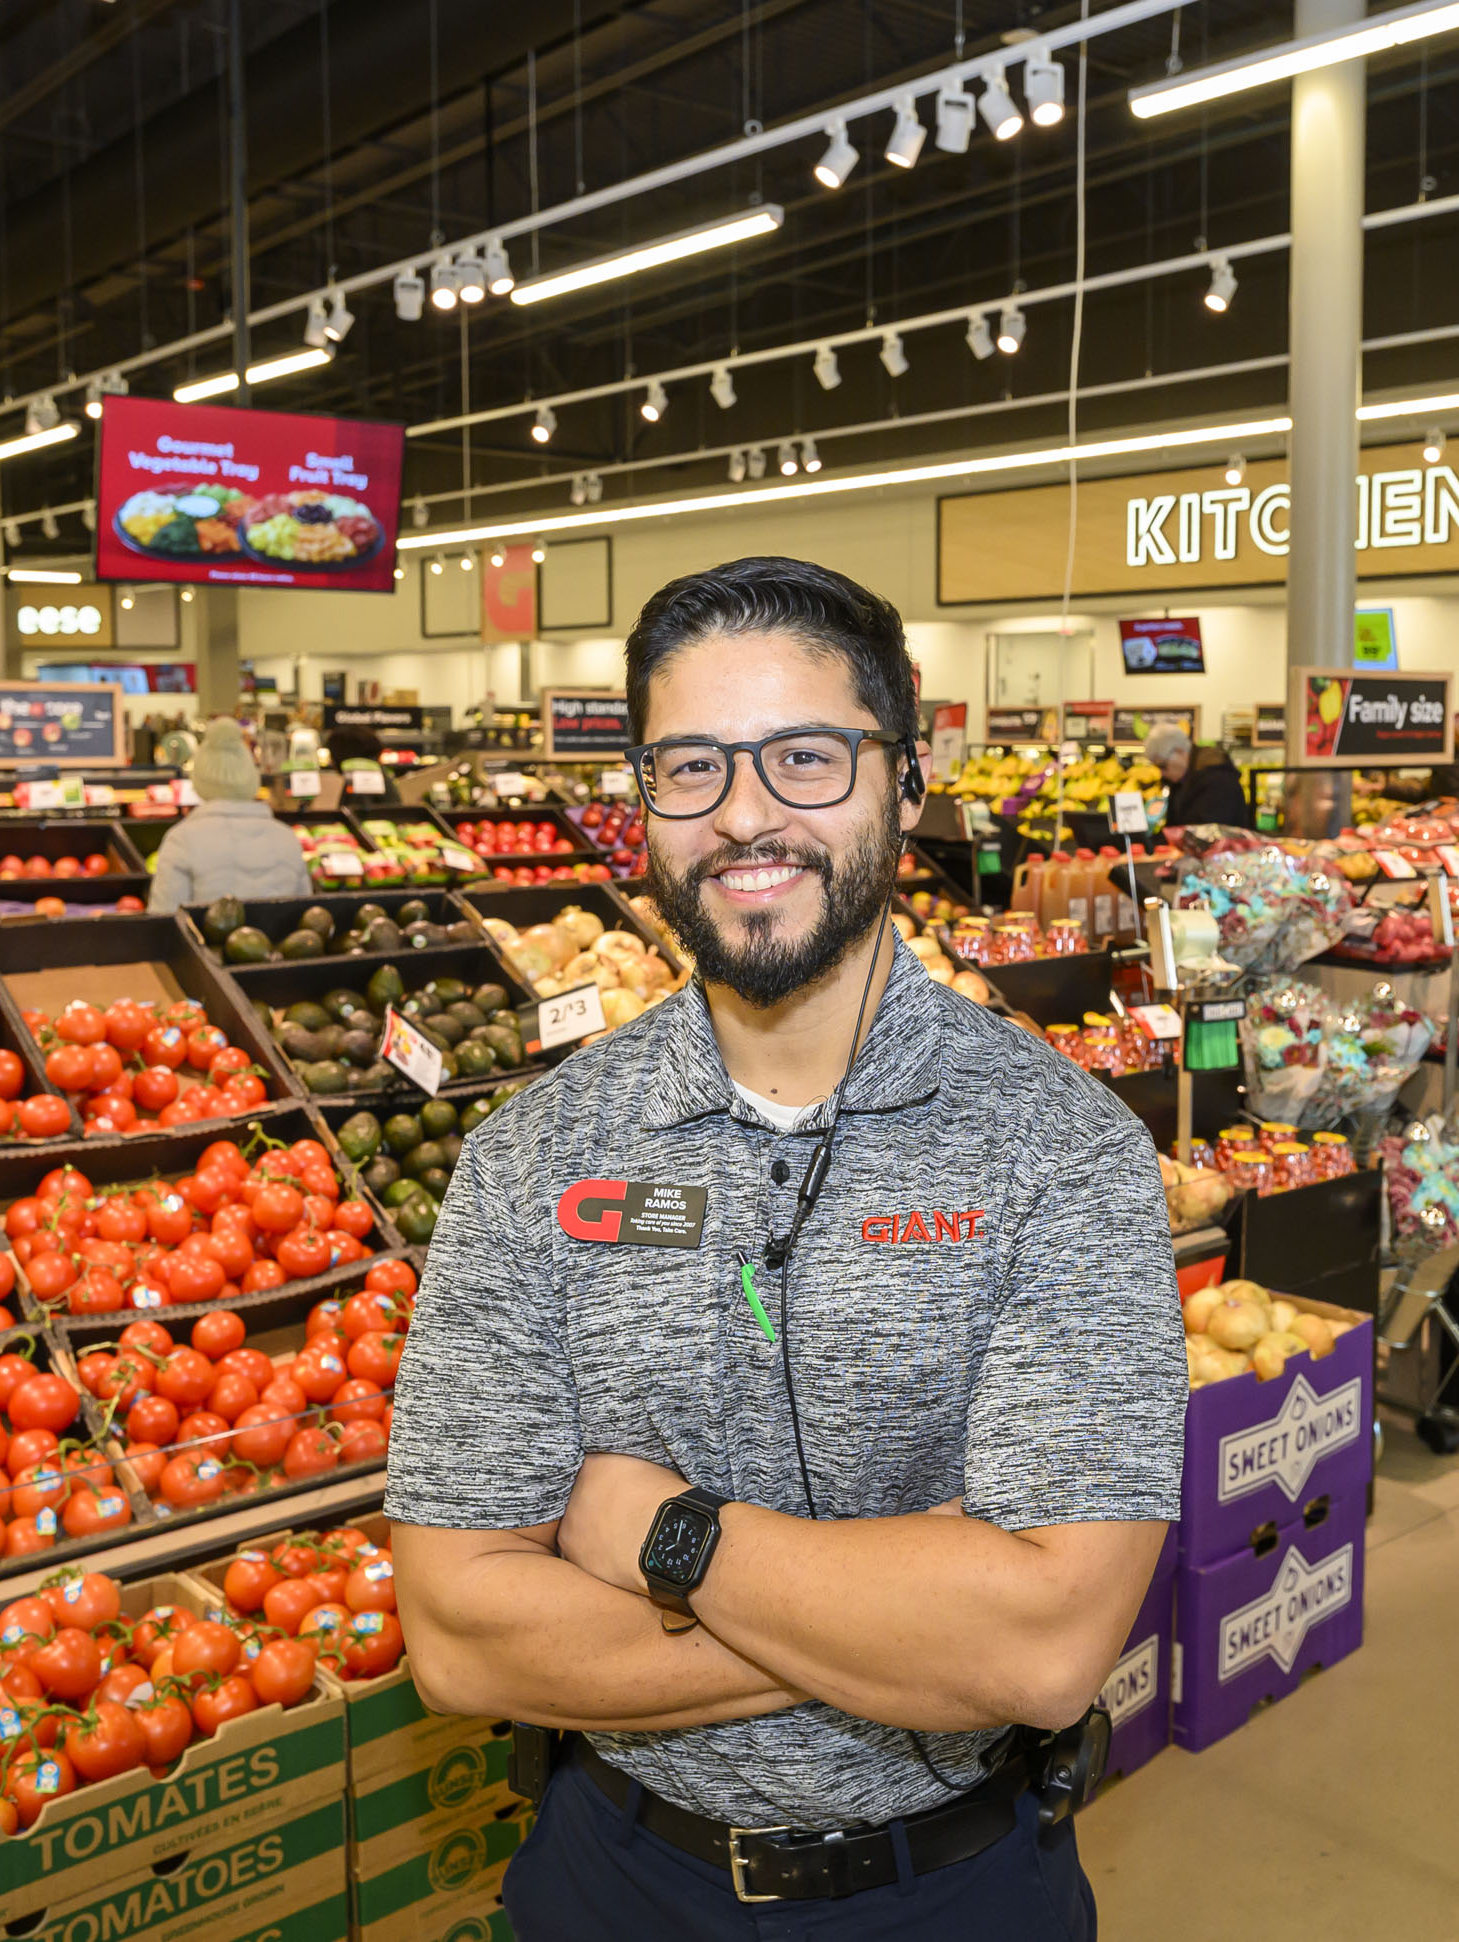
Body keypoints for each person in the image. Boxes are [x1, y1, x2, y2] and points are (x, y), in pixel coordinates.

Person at [387, 556, 1183, 1938]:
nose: (745, 815)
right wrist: (907, 1615)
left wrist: (658, 1530)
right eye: (690, 767)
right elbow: (457, 1635)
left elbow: (1045, 1648)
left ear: (906, 782)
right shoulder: (533, 1158)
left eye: (805, 757)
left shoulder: (1063, 1152)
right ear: (641, 801)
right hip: (614, 1878)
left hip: (955, 1888)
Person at [146, 719, 310, 906]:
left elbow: (165, 916)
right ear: (251, 778)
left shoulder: (181, 840)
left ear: (198, 780)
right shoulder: (287, 838)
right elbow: (304, 912)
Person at [1143, 723, 1251, 829]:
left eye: (1162, 766)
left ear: (1180, 752)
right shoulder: (1182, 779)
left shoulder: (1217, 781)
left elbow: (1208, 831)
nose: (1161, 773)